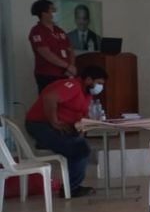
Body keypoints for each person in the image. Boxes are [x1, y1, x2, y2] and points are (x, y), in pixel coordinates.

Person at [24, 65, 108, 197]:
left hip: (62, 127)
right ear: (88, 80)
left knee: (81, 145)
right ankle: (71, 189)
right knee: (80, 150)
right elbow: (50, 97)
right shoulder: (73, 85)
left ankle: (70, 186)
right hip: (41, 125)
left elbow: (82, 114)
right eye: (99, 83)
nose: (100, 87)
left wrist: (83, 129)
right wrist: (54, 121)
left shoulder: (86, 94)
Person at [28, 0, 76, 92]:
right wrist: (67, 66)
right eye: (53, 10)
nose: (55, 12)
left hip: (65, 74)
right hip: (48, 75)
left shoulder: (59, 30)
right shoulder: (37, 31)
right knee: (49, 99)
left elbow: (70, 50)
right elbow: (45, 53)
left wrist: (71, 67)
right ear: (44, 13)